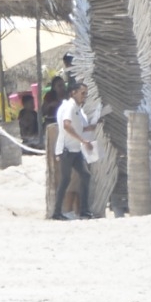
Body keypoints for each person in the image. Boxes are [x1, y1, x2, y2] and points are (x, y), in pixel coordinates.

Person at [52, 82, 97, 220]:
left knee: (85, 175)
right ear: (73, 93)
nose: (85, 96)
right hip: (67, 150)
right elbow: (66, 126)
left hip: (75, 149)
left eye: (86, 93)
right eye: (82, 93)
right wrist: (83, 140)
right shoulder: (70, 106)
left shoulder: (76, 107)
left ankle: (84, 210)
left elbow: (76, 127)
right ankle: (57, 212)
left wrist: (88, 128)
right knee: (65, 180)